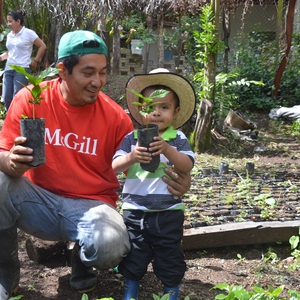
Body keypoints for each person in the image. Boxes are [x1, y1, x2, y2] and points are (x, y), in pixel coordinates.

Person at [0, 31, 191, 300]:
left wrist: (183, 180)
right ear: (62, 71)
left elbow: (140, 168)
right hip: (37, 200)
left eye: (102, 72)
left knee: (110, 245)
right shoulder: (31, 100)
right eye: (88, 72)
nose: (98, 81)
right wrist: (11, 161)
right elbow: (3, 152)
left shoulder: (115, 118)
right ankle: (6, 277)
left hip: (92, 205)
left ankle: (80, 253)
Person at [112, 68, 196, 300]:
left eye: (164, 107)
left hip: (168, 212)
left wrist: (167, 149)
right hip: (135, 211)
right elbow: (114, 166)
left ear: (176, 112)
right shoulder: (131, 138)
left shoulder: (177, 139)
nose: (156, 113)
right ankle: (131, 286)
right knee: (134, 253)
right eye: (150, 107)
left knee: (169, 253)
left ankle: (171, 289)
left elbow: (187, 165)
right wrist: (131, 157)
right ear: (140, 110)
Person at [0, 9, 47, 111]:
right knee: (6, 97)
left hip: (22, 69)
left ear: (18, 21)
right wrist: (1, 57)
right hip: (8, 69)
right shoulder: (9, 35)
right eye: (7, 21)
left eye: (10, 21)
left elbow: (42, 46)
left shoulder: (28, 33)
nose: (8, 24)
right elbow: (10, 52)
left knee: (18, 96)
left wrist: (35, 61)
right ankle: (10, 120)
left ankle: (17, 121)